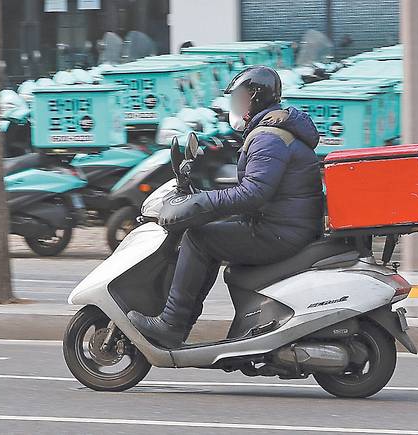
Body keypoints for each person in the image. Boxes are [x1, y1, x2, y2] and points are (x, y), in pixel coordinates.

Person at [128, 66, 325, 348]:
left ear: (255, 97)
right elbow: (259, 187)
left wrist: (198, 203)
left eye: (239, 98)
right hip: (286, 224)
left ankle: (172, 324)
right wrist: (205, 198)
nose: (235, 105)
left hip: (282, 231)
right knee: (209, 231)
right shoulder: (272, 130)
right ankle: (180, 321)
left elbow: (253, 193)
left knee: (199, 238)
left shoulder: (269, 137)